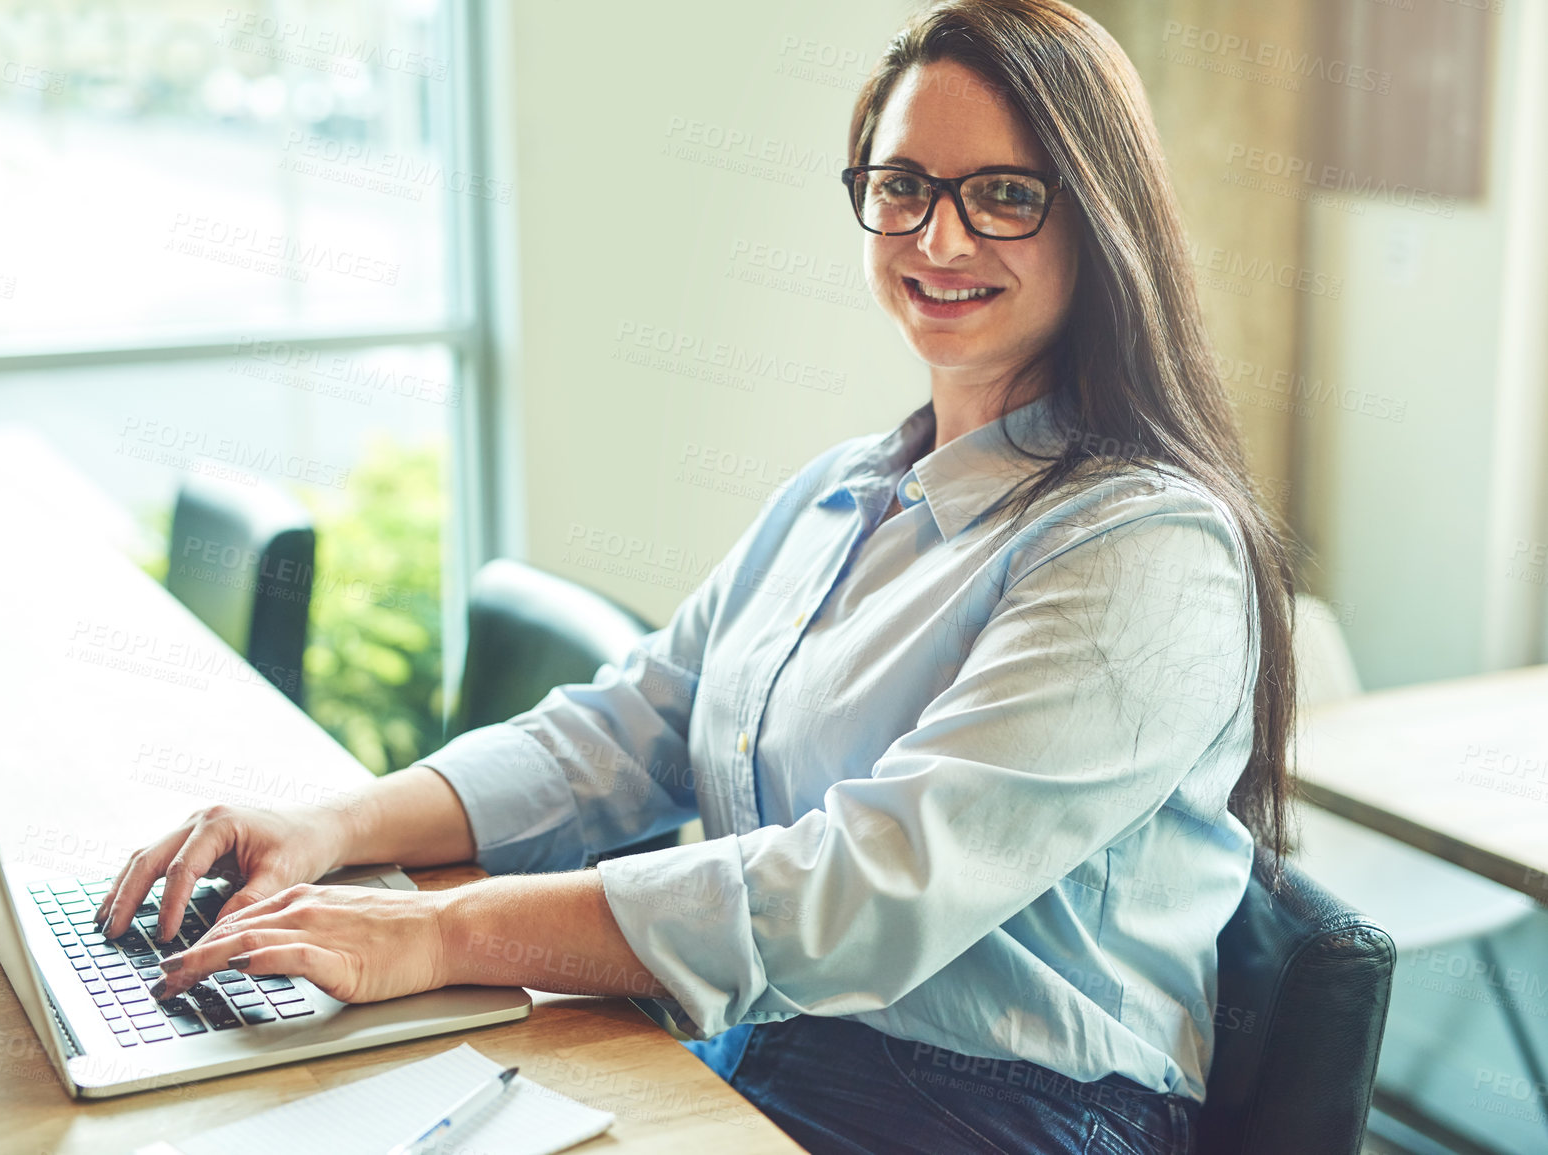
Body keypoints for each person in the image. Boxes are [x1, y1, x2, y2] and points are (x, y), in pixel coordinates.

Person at [95, 2, 1296, 1151]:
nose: (939, 238)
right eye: (902, 187)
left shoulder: (1147, 549)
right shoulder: (841, 492)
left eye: (1005, 196)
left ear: (1098, 216)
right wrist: (326, 825)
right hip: (757, 1039)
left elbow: (865, 894)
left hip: (1006, 1111)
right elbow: (617, 737)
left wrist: (437, 931)